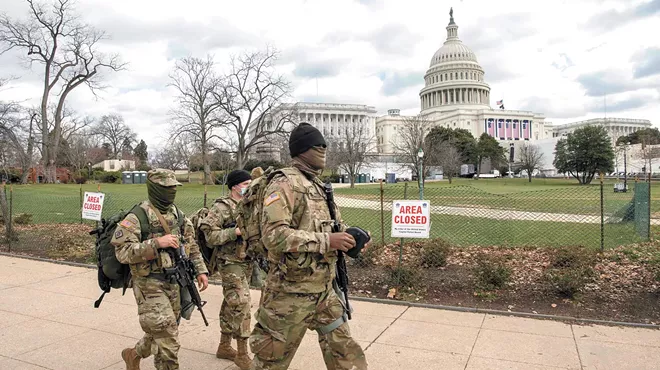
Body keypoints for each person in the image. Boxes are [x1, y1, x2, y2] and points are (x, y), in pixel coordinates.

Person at [249, 122, 369, 370]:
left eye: (324, 145)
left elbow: (327, 228)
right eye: (318, 145)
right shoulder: (283, 183)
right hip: (289, 295)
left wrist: (346, 239)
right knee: (269, 363)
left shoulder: (317, 186)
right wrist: (327, 241)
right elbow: (273, 235)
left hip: (324, 292)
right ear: (302, 150)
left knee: (346, 354)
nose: (323, 149)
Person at [112, 169, 209, 370]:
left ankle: (133, 354)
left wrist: (201, 270)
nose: (171, 192)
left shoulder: (178, 215)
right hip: (149, 284)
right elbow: (122, 252)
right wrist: (156, 243)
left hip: (174, 284)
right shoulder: (137, 216)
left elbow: (192, 246)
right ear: (155, 189)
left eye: (173, 188)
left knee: (163, 331)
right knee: (168, 338)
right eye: (166, 188)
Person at [199, 169, 253, 370]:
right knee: (242, 302)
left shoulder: (250, 206)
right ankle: (242, 353)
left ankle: (224, 346)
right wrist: (235, 232)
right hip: (229, 262)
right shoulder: (222, 207)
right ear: (234, 186)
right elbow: (210, 236)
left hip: (247, 260)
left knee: (232, 302)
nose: (248, 185)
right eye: (245, 183)